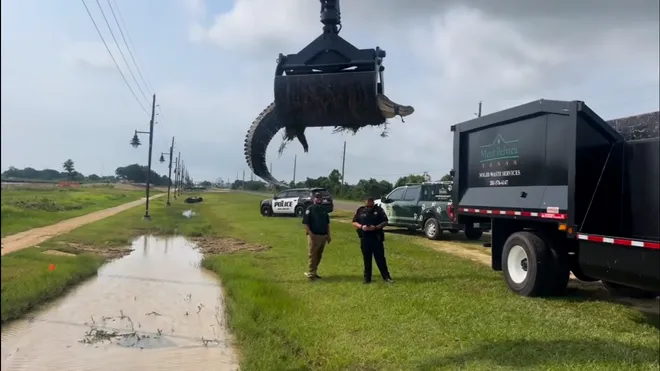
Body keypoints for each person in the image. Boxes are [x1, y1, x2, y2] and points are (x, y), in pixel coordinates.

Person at [352, 197, 393, 284]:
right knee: (367, 259)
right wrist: (362, 227)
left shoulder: (379, 210)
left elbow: (385, 221)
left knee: (380, 259)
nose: (368, 203)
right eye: (366, 201)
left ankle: (386, 277)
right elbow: (354, 222)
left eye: (370, 201)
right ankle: (367, 278)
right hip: (365, 238)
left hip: (376, 238)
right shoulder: (360, 210)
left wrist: (376, 227)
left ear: (373, 202)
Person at [302, 193, 331, 281]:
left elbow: (327, 223)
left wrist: (329, 235)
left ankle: (314, 272)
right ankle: (310, 274)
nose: (319, 199)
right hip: (314, 235)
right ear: (313, 199)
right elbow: (306, 223)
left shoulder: (323, 209)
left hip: (323, 236)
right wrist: (311, 234)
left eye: (320, 197)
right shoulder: (310, 209)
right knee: (313, 255)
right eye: (317, 197)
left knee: (319, 255)